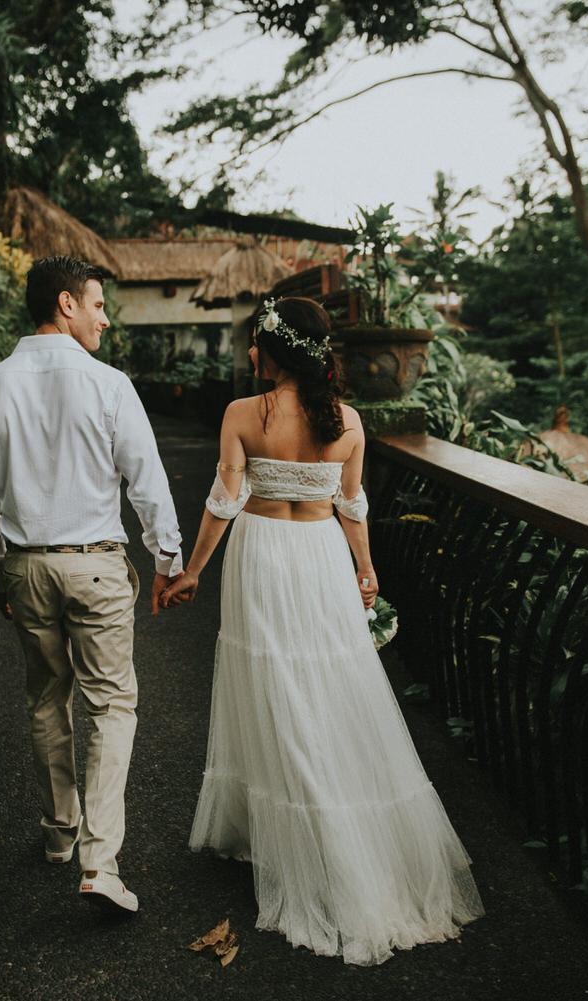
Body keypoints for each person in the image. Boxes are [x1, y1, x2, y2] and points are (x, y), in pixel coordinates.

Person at [159, 297, 484, 965]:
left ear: (277, 351)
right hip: (322, 559)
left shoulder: (243, 415)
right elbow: (352, 508)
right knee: (331, 687)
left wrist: (192, 570)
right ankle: (331, 824)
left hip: (262, 556)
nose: (250, 354)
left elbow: (225, 499)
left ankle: (315, 840)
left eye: (257, 344)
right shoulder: (351, 422)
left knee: (275, 684)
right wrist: (366, 571)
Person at [0, 255, 184, 914]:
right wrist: (167, 559)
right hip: (94, 563)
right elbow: (145, 480)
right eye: (97, 304)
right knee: (112, 706)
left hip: (26, 564)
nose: (104, 317)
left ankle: (60, 833)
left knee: (46, 698)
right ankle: (99, 860)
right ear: (64, 303)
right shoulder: (110, 384)